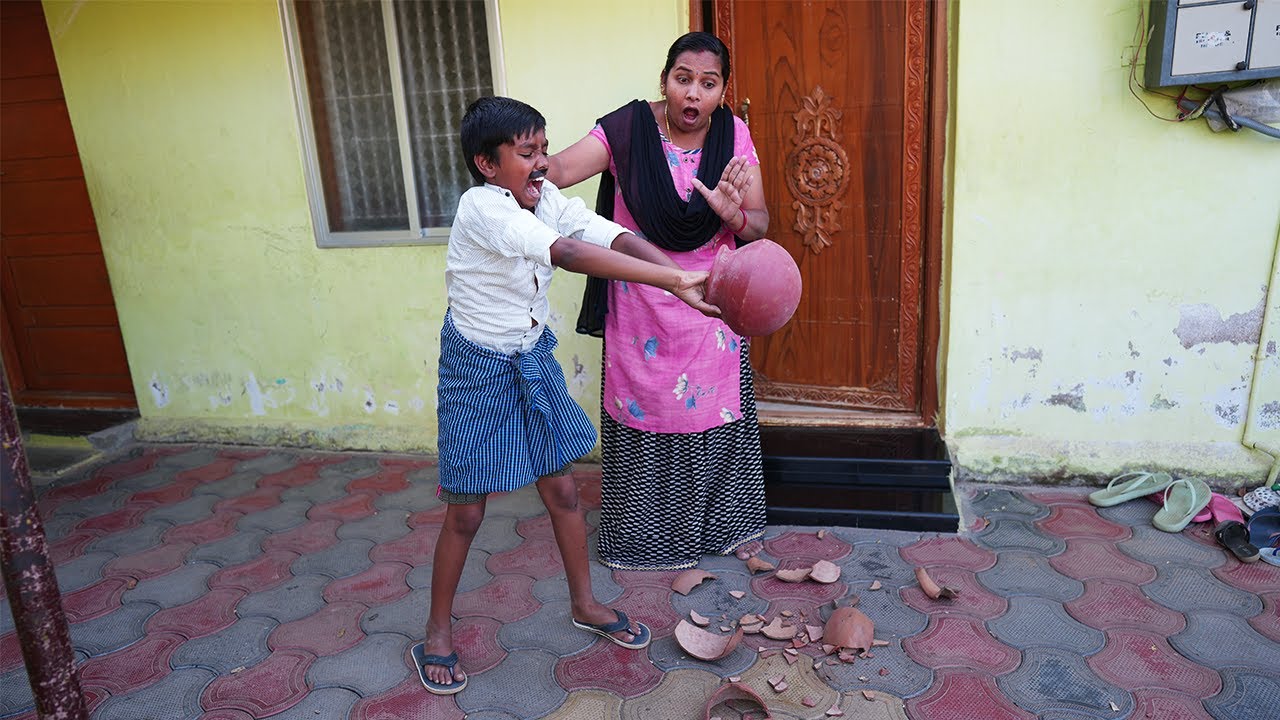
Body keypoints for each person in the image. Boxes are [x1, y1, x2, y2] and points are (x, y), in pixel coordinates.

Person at [415, 96, 720, 695]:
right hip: (476, 367)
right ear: (487, 164)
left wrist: (679, 278)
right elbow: (572, 254)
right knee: (467, 511)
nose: (541, 162)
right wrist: (672, 279)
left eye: (543, 149)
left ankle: (585, 604)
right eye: (526, 152)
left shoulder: (544, 196)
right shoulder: (482, 207)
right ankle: (436, 630)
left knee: (561, 489)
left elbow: (612, 236)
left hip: (531, 356)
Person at [547, 31, 771, 571]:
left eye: (708, 84)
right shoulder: (626, 130)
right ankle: (643, 539)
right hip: (642, 301)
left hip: (711, 304)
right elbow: (559, 172)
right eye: (683, 79)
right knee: (647, 411)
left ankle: (721, 528)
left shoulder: (734, 136)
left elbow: (760, 226)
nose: (693, 93)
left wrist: (733, 214)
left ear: (723, 91)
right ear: (664, 80)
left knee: (713, 414)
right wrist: (514, 165)